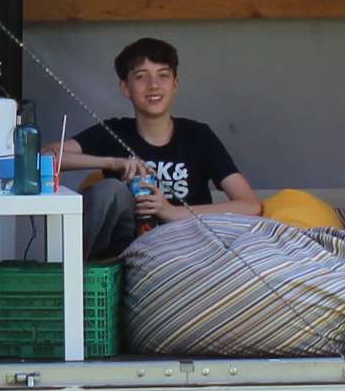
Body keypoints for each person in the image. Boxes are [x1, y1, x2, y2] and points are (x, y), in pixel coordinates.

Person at [53, 37, 261, 261]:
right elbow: (45, 157)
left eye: (163, 75)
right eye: (141, 76)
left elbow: (251, 205)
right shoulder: (115, 131)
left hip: (189, 251)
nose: (153, 85)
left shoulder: (198, 136)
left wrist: (171, 212)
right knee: (109, 190)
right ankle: (76, 276)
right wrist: (111, 162)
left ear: (175, 84)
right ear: (125, 87)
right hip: (127, 255)